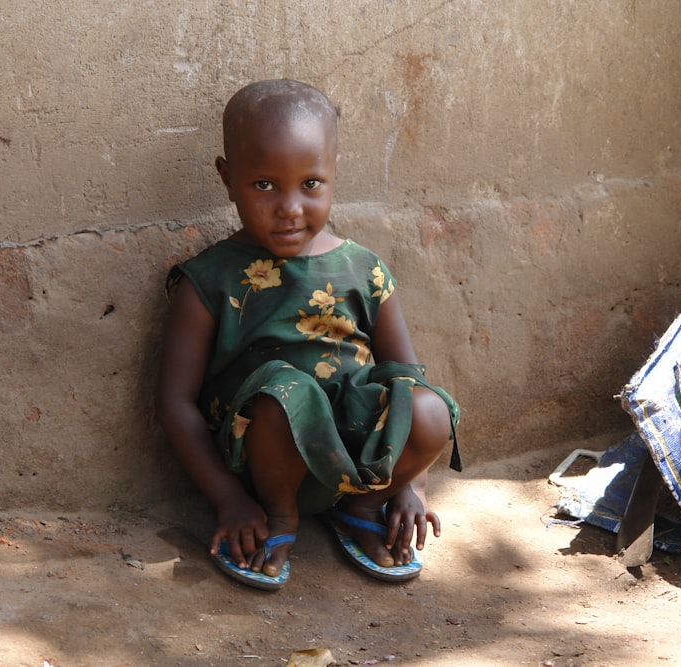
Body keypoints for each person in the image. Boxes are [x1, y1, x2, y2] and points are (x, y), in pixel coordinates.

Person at [156, 79, 461, 590]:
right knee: (285, 394)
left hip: (360, 465)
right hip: (266, 462)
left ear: (334, 171)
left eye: (311, 184)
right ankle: (279, 521)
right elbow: (175, 402)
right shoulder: (208, 279)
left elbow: (406, 378)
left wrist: (414, 486)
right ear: (227, 179)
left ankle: (362, 510)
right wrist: (229, 499)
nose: (290, 207)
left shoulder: (364, 268)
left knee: (431, 406)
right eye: (264, 186)